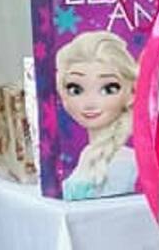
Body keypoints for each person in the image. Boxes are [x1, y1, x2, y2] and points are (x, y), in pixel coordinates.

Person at [55, 31, 139, 200]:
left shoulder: (124, 163)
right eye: (75, 89)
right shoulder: (89, 154)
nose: (89, 102)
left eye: (108, 89)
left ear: (132, 93)